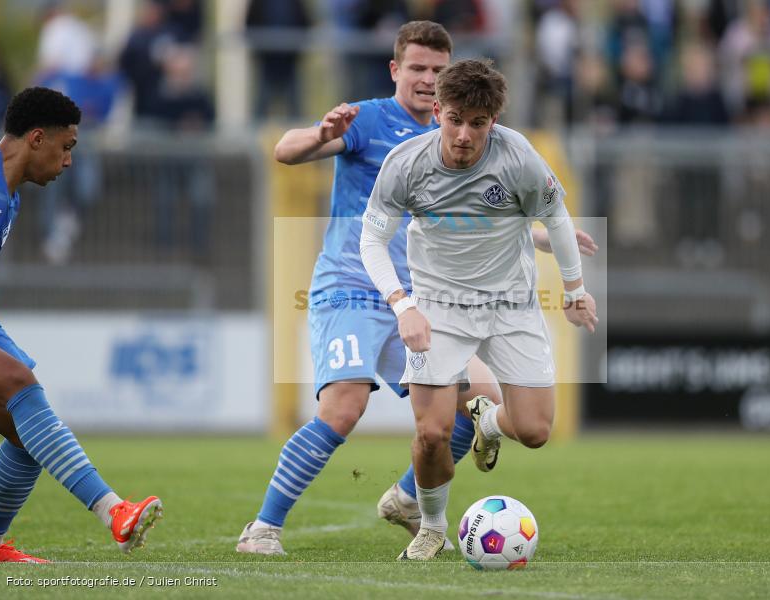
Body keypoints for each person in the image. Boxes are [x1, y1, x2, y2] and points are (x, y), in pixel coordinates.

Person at [236, 21, 595, 556]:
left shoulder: (468, 134)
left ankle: (408, 498)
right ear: (395, 70)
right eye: (417, 68)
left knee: (479, 405)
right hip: (356, 286)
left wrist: (540, 237)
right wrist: (320, 132)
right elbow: (285, 151)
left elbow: (479, 210)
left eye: (437, 70)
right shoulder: (369, 119)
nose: (427, 79)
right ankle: (263, 528)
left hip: (429, 297)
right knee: (344, 407)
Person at [359, 58, 598, 560]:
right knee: (431, 434)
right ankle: (430, 523)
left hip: (511, 305)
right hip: (438, 309)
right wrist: (403, 306)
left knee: (534, 431)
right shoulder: (406, 163)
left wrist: (575, 289)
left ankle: (488, 423)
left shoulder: (519, 157)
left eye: (478, 123)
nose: (465, 134)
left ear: (493, 121)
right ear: (438, 110)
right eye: (455, 119)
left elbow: (555, 215)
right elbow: (372, 241)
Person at [0, 87, 163, 562]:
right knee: (21, 386)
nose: (68, 162)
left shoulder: (7, 196)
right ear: (38, 138)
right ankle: (114, 512)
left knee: (31, 435)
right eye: (66, 149)